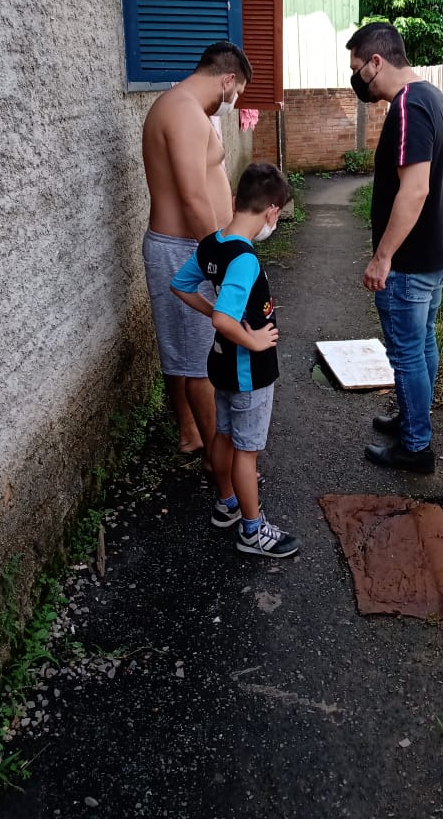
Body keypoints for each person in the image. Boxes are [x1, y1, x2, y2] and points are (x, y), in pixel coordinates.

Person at [346, 22, 443, 473]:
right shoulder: (433, 97)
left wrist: (382, 258)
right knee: (422, 342)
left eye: (358, 68)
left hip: (411, 262)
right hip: (437, 252)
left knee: (407, 353)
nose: (357, 79)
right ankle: (413, 420)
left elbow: (414, 191)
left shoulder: (408, 107)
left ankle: (416, 448)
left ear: (376, 62)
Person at [170, 162, 299, 558]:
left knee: (224, 435)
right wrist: (253, 340)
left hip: (222, 365)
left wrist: (214, 311)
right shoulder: (245, 259)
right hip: (247, 373)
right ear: (271, 212)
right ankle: (252, 531)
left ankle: (227, 503)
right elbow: (225, 320)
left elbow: (180, 284)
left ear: (235, 199)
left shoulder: (212, 243)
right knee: (247, 450)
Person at [141, 41, 252, 470]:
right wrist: (219, 259)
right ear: (228, 80)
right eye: (237, 92)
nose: (234, 101)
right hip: (185, 248)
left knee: (182, 353)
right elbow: (191, 196)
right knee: (199, 361)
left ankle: (191, 435)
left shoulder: (179, 106)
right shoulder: (185, 111)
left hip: (181, 246)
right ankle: (217, 459)